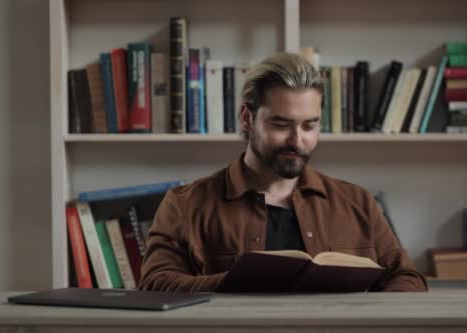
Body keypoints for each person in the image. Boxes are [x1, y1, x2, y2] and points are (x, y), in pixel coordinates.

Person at [139, 53, 427, 292]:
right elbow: (154, 284)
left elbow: (408, 279)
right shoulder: (184, 204)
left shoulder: (358, 203)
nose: (296, 140)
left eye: (309, 126)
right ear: (247, 118)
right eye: (281, 125)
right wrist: (238, 283)